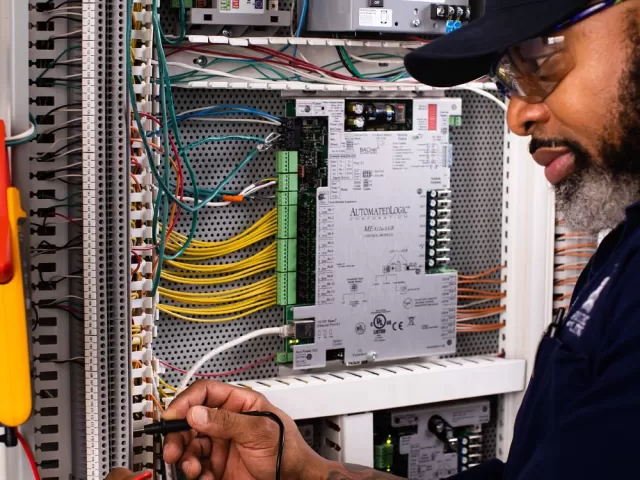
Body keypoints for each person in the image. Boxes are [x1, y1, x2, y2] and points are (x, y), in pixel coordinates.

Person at [108, 0, 640, 478]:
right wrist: (301, 468)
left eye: (540, 58)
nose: (519, 116)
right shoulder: (620, 256)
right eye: (508, 79)